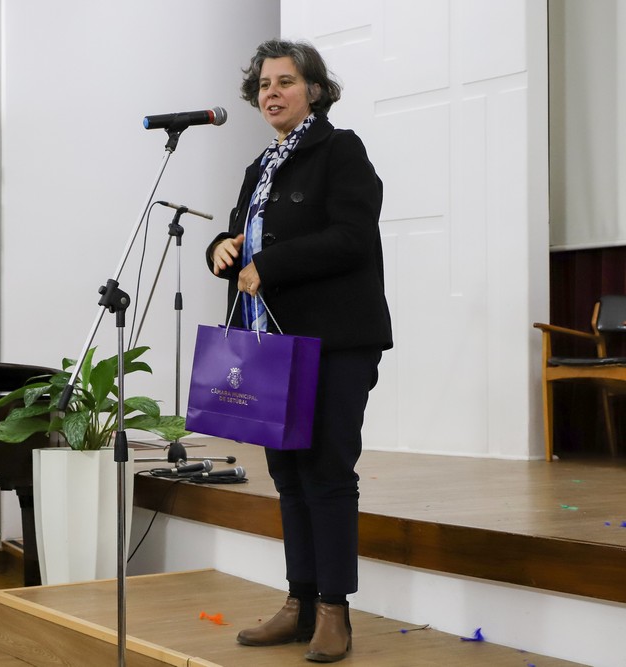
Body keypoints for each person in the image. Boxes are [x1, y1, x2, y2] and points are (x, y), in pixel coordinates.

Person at [206, 39, 392, 663]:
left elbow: (351, 238)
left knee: (327, 473)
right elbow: (245, 236)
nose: (272, 93)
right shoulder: (260, 165)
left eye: (285, 81)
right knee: (286, 474)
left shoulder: (341, 150)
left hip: (336, 341)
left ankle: (334, 610)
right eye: (263, 85)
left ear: (313, 90)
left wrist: (270, 263)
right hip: (270, 341)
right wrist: (221, 251)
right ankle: (299, 602)